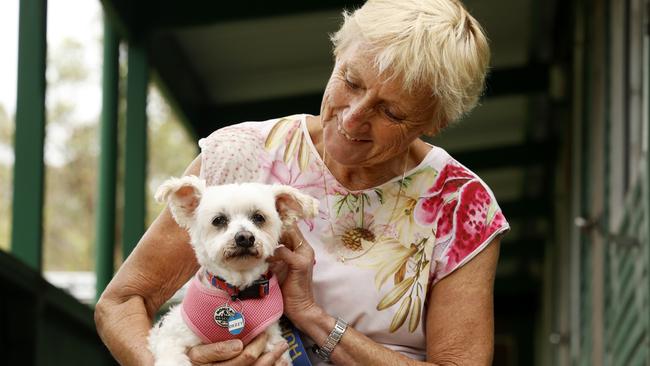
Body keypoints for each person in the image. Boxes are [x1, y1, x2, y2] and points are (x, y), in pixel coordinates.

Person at [95, 0, 510, 365]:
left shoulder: (461, 205)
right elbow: (122, 302)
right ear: (336, 55)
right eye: (351, 81)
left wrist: (313, 317)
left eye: (391, 112)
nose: (352, 118)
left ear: (436, 122)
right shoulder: (240, 152)